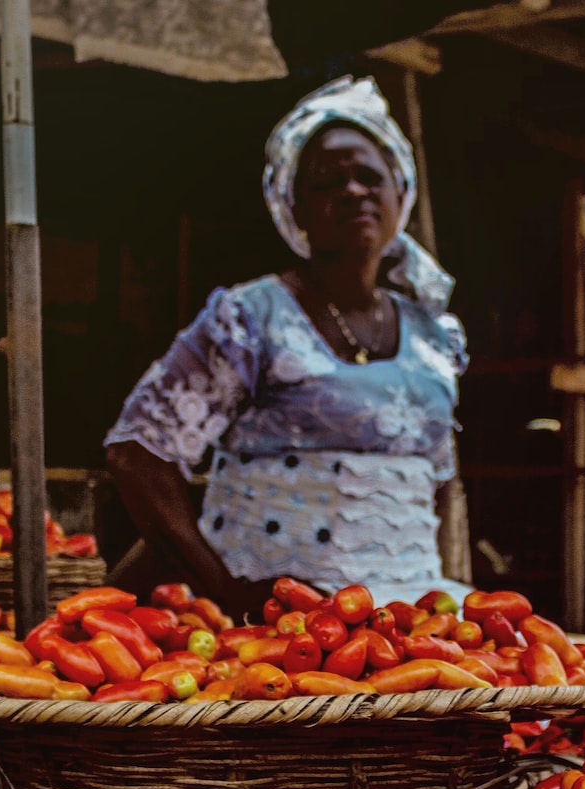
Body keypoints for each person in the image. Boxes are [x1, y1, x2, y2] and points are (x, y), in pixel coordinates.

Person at [105, 77, 471, 615]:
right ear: (291, 207)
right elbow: (137, 455)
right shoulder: (250, 319)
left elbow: (436, 484)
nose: (353, 192)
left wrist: (435, 588)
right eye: (327, 182)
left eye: (370, 176)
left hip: (406, 614)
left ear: (401, 194)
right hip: (272, 619)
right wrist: (225, 590)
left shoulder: (435, 336)